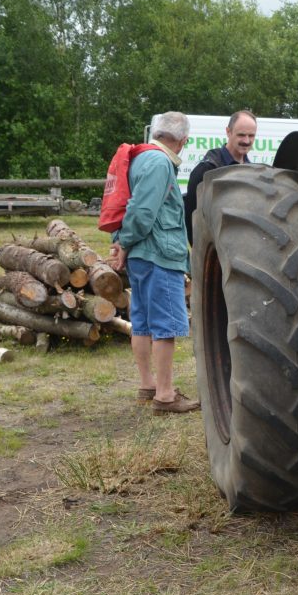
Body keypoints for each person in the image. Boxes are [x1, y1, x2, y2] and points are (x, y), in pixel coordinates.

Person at [108, 111, 201, 415]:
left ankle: (148, 385)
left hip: (141, 255)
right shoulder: (160, 162)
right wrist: (125, 243)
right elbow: (142, 211)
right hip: (158, 254)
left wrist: (122, 244)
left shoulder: (140, 158)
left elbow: (128, 206)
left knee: (143, 323)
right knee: (164, 327)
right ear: (183, 140)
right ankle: (165, 395)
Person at [184, 110, 258, 244]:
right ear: (228, 132)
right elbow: (191, 214)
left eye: (251, 135)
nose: (247, 141)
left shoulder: (252, 171)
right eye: (241, 135)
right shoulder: (208, 169)